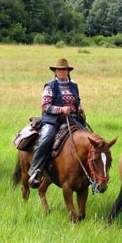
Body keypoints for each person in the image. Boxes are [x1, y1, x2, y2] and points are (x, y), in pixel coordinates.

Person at [28, 58, 84, 188]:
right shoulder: (50, 86)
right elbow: (45, 106)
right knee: (46, 139)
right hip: (54, 121)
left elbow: (77, 101)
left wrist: (79, 107)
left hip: (72, 120)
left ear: (68, 71)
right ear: (55, 72)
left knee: (91, 139)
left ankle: (88, 174)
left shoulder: (74, 86)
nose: (62, 72)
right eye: (59, 70)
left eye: (64, 69)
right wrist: (61, 109)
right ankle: (35, 171)